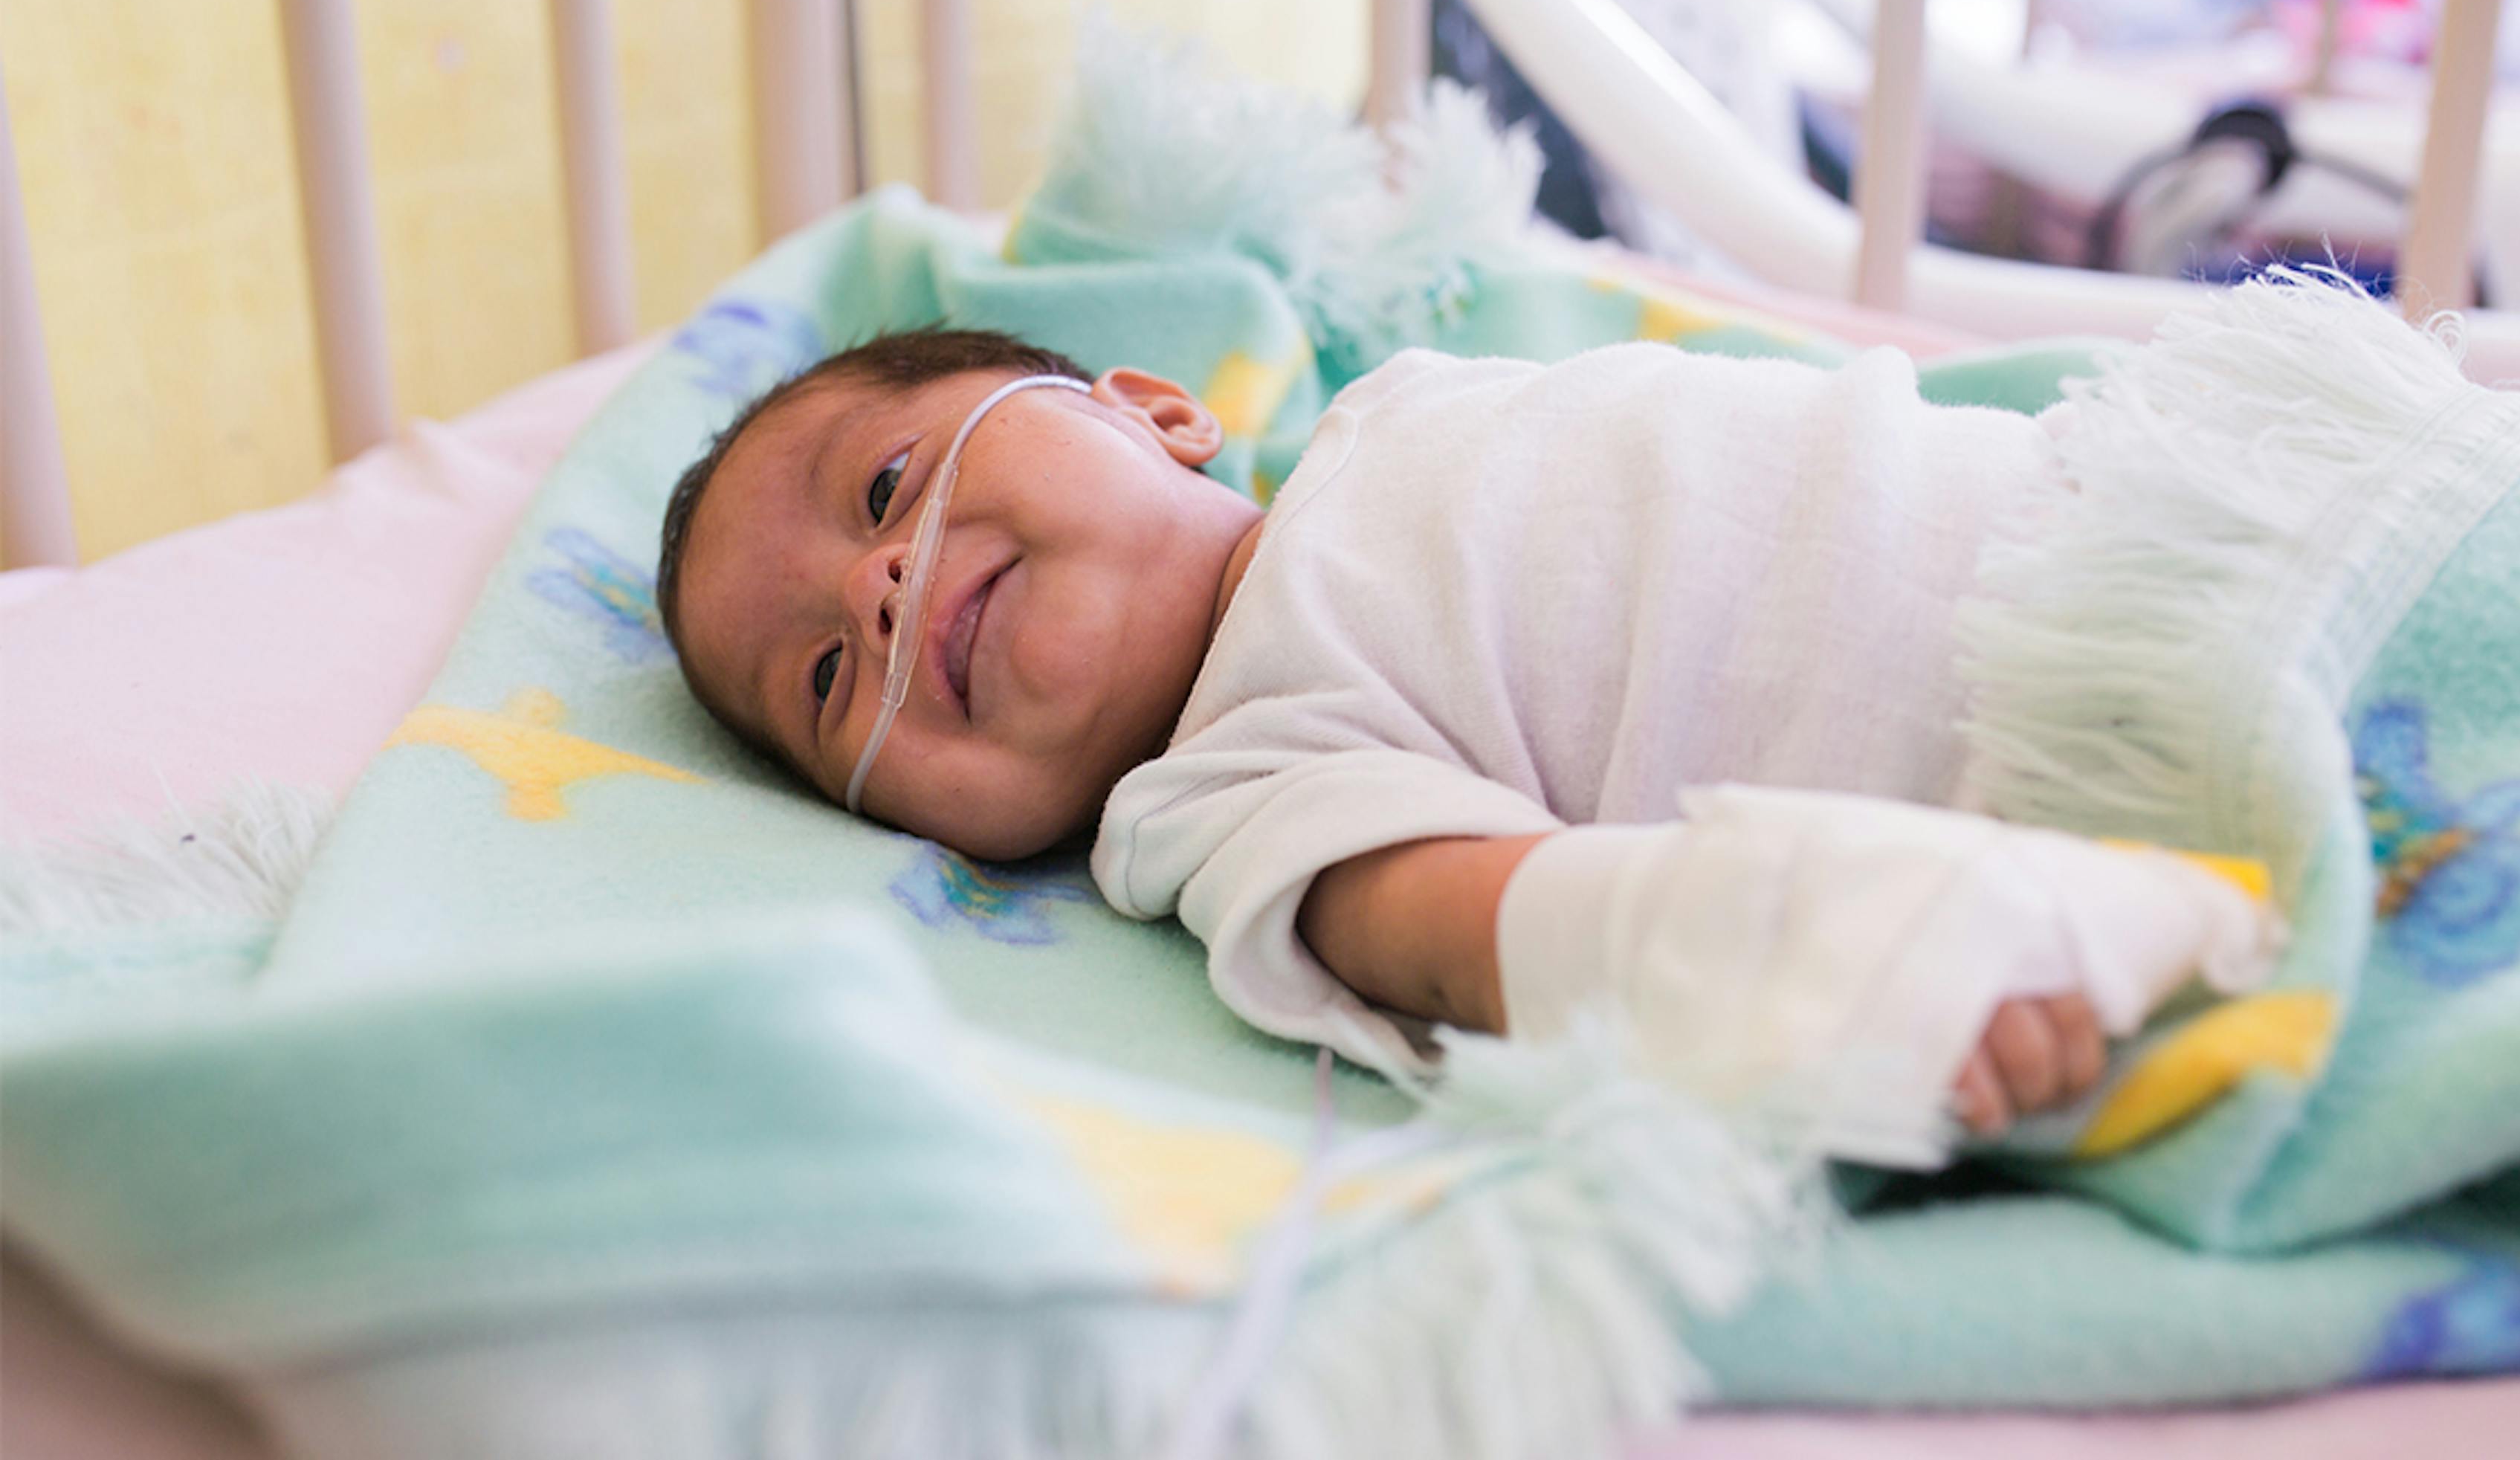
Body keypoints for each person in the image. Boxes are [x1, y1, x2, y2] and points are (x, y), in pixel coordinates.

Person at [657, 326, 2277, 1164]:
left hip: (2185, 514)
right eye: (813, 682)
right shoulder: (1229, 788)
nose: (871, 592)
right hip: (2097, 761)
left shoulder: (1408, 402)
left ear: (1150, 409)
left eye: (880, 490)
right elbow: (1504, 928)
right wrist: (1854, 963)